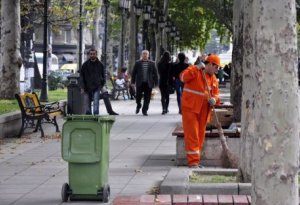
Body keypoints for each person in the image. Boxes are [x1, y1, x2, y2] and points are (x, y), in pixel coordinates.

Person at [180, 54, 221, 168]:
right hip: (190, 109)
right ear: (209, 64)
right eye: (216, 67)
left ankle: (196, 161)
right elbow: (183, 77)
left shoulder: (213, 79)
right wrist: (196, 67)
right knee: (192, 135)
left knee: (200, 136)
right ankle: (193, 162)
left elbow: (217, 94)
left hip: (204, 110)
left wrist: (214, 99)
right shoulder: (196, 71)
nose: (217, 70)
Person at [131, 50, 158, 116]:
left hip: (148, 83)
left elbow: (155, 74)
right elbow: (134, 73)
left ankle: (144, 110)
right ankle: (138, 105)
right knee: (138, 96)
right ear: (142, 55)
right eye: (144, 54)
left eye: (146, 54)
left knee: (147, 97)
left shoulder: (152, 63)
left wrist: (156, 83)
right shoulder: (138, 63)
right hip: (140, 82)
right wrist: (132, 82)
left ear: (148, 55)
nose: (145, 55)